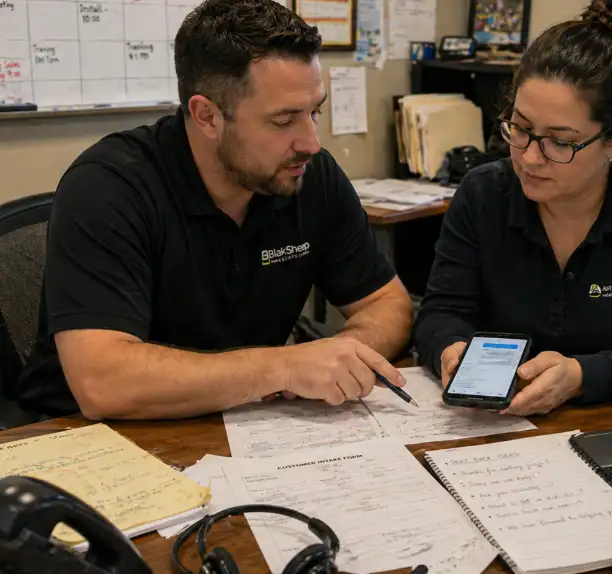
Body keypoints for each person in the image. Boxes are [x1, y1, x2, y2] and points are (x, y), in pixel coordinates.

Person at [15, 0, 413, 421]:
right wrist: (284, 367)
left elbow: (388, 303)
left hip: (244, 425)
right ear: (206, 116)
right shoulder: (109, 187)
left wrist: (345, 354)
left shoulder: (308, 174)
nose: (311, 142)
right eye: (283, 121)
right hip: (91, 441)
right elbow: (102, 383)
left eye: (314, 111)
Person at [413, 0, 612, 416]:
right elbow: (443, 311)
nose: (530, 158)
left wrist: (583, 376)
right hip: (502, 430)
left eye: (560, 141)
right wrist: (451, 349)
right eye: (521, 128)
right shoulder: (484, 193)